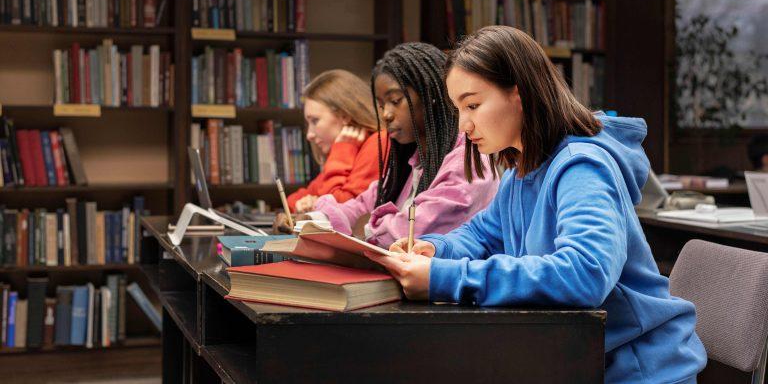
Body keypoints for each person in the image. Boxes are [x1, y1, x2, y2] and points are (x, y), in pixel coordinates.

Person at [367, 26, 707, 383]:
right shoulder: (519, 170)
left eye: (473, 105)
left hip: (636, 370)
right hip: (574, 357)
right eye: (458, 109)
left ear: (519, 94)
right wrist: (435, 250)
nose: (464, 124)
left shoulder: (582, 166)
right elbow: (483, 234)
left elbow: (584, 273)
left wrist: (445, 279)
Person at [275, 42, 498, 248]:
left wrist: (357, 231)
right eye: (381, 105)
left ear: (430, 96)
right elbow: (362, 204)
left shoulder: (468, 162)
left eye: (395, 101)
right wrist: (310, 221)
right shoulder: (413, 161)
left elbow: (408, 232)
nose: (386, 115)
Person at [284, 69, 386, 213]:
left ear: (344, 116)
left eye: (315, 120)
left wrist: (342, 150)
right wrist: (304, 203)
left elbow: (338, 210)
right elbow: (293, 200)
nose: (309, 135)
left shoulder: (378, 142)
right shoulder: (353, 146)